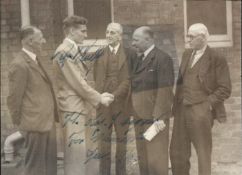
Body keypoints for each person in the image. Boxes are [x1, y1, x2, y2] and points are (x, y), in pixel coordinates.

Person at [52, 15, 114, 175]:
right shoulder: (63, 51)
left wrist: (97, 96)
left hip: (81, 108)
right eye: (83, 31)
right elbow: (78, 82)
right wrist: (99, 98)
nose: (86, 35)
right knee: (76, 157)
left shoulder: (72, 49)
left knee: (87, 154)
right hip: (73, 110)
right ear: (72, 31)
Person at [170, 23, 232, 175]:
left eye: (191, 36)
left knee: (203, 154)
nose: (188, 39)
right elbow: (181, 83)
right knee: (177, 153)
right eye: (188, 36)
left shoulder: (217, 58)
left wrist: (207, 106)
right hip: (181, 111)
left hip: (200, 113)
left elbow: (225, 88)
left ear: (203, 38)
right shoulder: (186, 54)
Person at [7, 26, 59, 175]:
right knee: (35, 169)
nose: (43, 41)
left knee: (49, 168)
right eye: (40, 38)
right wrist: (23, 124)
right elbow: (13, 98)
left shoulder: (35, 60)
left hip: (47, 122)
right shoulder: (20, 64)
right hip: (34, 124)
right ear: (30, 41)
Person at [130, 26, 174, 175]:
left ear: (148, 40)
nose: (133, 43)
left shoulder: (163, 59)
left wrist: (159, 117)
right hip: (140, 117)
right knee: (143, 158)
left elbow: (165, 90)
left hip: (156, 119)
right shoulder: (138, 58)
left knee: (157, 160)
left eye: (136, 40)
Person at [93, 22, 132, 175]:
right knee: (103, 142)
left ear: (120, 36)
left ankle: (120, 172)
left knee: (122, 141)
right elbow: (97, 78)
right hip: (103, 105)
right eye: (107, 32)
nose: (108, 35)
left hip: (122, 104)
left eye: (113, 33)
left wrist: (114, 95)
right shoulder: (99, 53)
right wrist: (101, 96)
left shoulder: (129, 54)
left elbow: (128, 80)